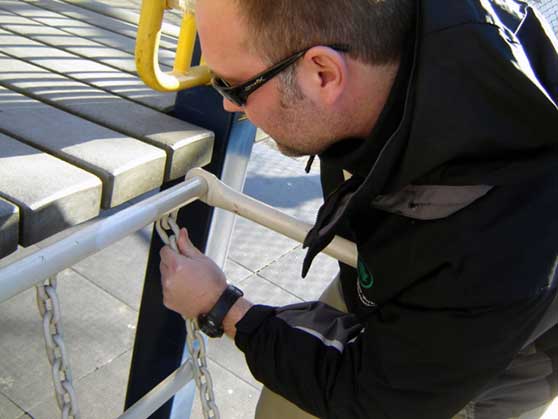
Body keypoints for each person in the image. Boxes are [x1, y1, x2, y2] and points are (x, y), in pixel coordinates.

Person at [159, 0, 558, 417]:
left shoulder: (499, 242)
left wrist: (222, 307)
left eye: (234, 88)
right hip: (389, 275)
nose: (227, 106)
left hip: (487, 366)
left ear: (323, 75)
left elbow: (375, 400)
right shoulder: (386, 57)